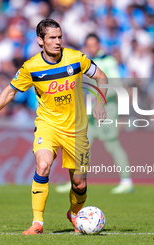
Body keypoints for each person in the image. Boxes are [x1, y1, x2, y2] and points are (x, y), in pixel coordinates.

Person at [0, 19, 108, 235]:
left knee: (79, 185)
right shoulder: (31, 67)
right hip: (47, 126)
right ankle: (37, 223)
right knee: (43, 165)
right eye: (52, 38)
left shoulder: (76, 58)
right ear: (40, 40)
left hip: (76, 130)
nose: (57, 42)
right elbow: (10, 91)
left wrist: (101, 102)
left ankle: (74, 213)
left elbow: (101, 76)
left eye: (60, 37)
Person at [55, 33, 134, 194]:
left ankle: (126, 181)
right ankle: (76, 182)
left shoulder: (108, 61)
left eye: (94, 44)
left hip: (107, 111)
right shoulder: (86, 63)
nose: (91, 47)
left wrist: (97, 97)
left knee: (112, 145)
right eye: (88, 44)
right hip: (90, 113)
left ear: (99, 44)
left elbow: (116, 85)